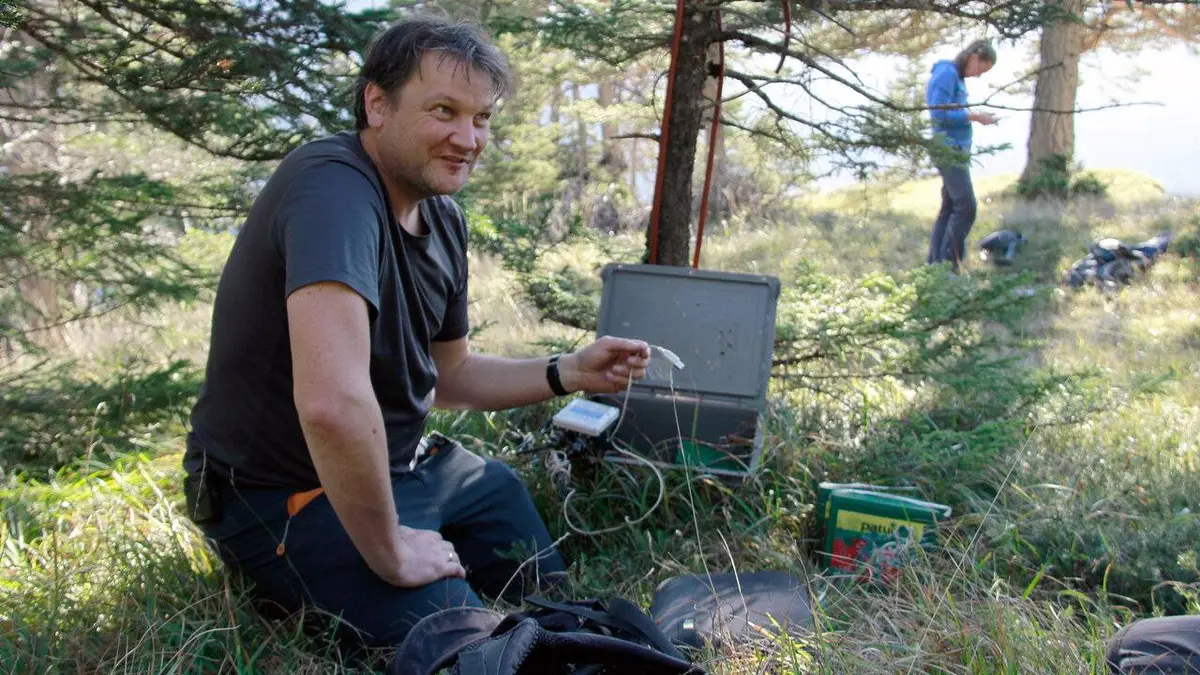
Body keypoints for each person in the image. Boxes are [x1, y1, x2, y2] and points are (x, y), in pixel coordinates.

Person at [181, 16, 652, 656]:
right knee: (466, 646)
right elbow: (330, 404)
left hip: (406, 466)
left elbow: (450, 376)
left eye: (481, 118)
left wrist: (566, 370)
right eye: (443, 111)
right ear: (377, 104)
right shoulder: (331, 186)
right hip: (286, 490)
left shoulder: (444, 219)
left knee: (538, 576)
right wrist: (390, 552)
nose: (468, 138)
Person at [925, 39, 998, 271]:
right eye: (980, 68)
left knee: (950, 207)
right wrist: (973, 116)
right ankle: (949, 264)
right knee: (966, 207)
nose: (978, 75)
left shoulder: (956, 77)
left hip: (957, 149)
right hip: (948, 149)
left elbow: (953, 110)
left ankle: (936, 265)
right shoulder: (946, 74)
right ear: (973, 57)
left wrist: (974, 116)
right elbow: (938, 113)